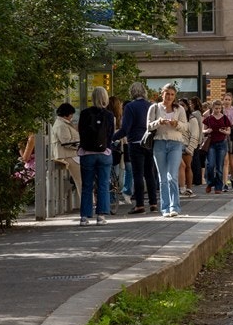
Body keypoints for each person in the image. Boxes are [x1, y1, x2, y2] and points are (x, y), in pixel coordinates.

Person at [114, 81, 158, 214]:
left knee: (138, 174)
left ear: (132, 92)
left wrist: (112, 137)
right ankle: (153, 203)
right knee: (149, 173)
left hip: (135, 143)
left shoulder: (130, 107)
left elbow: (125, 128)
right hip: (150, 142)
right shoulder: (151, 106)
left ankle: (139, 204)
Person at [146, 84, 189, 217]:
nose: (169, 96)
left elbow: (185, 127)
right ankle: (165, 208)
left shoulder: (179, 109)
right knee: (162, 178)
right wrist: (159, 122)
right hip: (159, 143)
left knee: (172, 176)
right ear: (162, 93)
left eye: (172, 94)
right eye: (167, 93)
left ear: (175, 96)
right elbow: (148, 126)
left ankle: (174, 207)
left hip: (175, 144)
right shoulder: (154, 107)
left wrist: (177, 124)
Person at [76, 88, 115, 225]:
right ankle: (101, 216)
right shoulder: (109, 115)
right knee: (103, 185)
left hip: (87, 154)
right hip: (104, 154)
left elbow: (81, 132)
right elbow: (110, 135)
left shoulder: (84, 113)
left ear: (92, 98)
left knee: (87, 185)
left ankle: (84, 217)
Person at [50, 103, 82, 201]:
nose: (72, 116)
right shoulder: (61, 125)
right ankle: (86, 201)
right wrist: (80, 145)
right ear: (66, 114)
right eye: (71, 114)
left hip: (69, 154)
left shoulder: (63, 123)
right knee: (81, 179)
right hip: (66, 155)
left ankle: (87, 200)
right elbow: (67, 142)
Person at [202, 96, 232, 193]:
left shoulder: (224, 118)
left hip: (222, 143)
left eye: (219, 108)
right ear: (212, 108)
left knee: (219, 166)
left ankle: (218, 187)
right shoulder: (209, 119)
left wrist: (224, 132)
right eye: (216, 108)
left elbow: (229, 131)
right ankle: (210, 183)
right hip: (211, 143)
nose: (218, 110)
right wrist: (207, 130)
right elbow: (203, 130)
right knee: (210, 165)